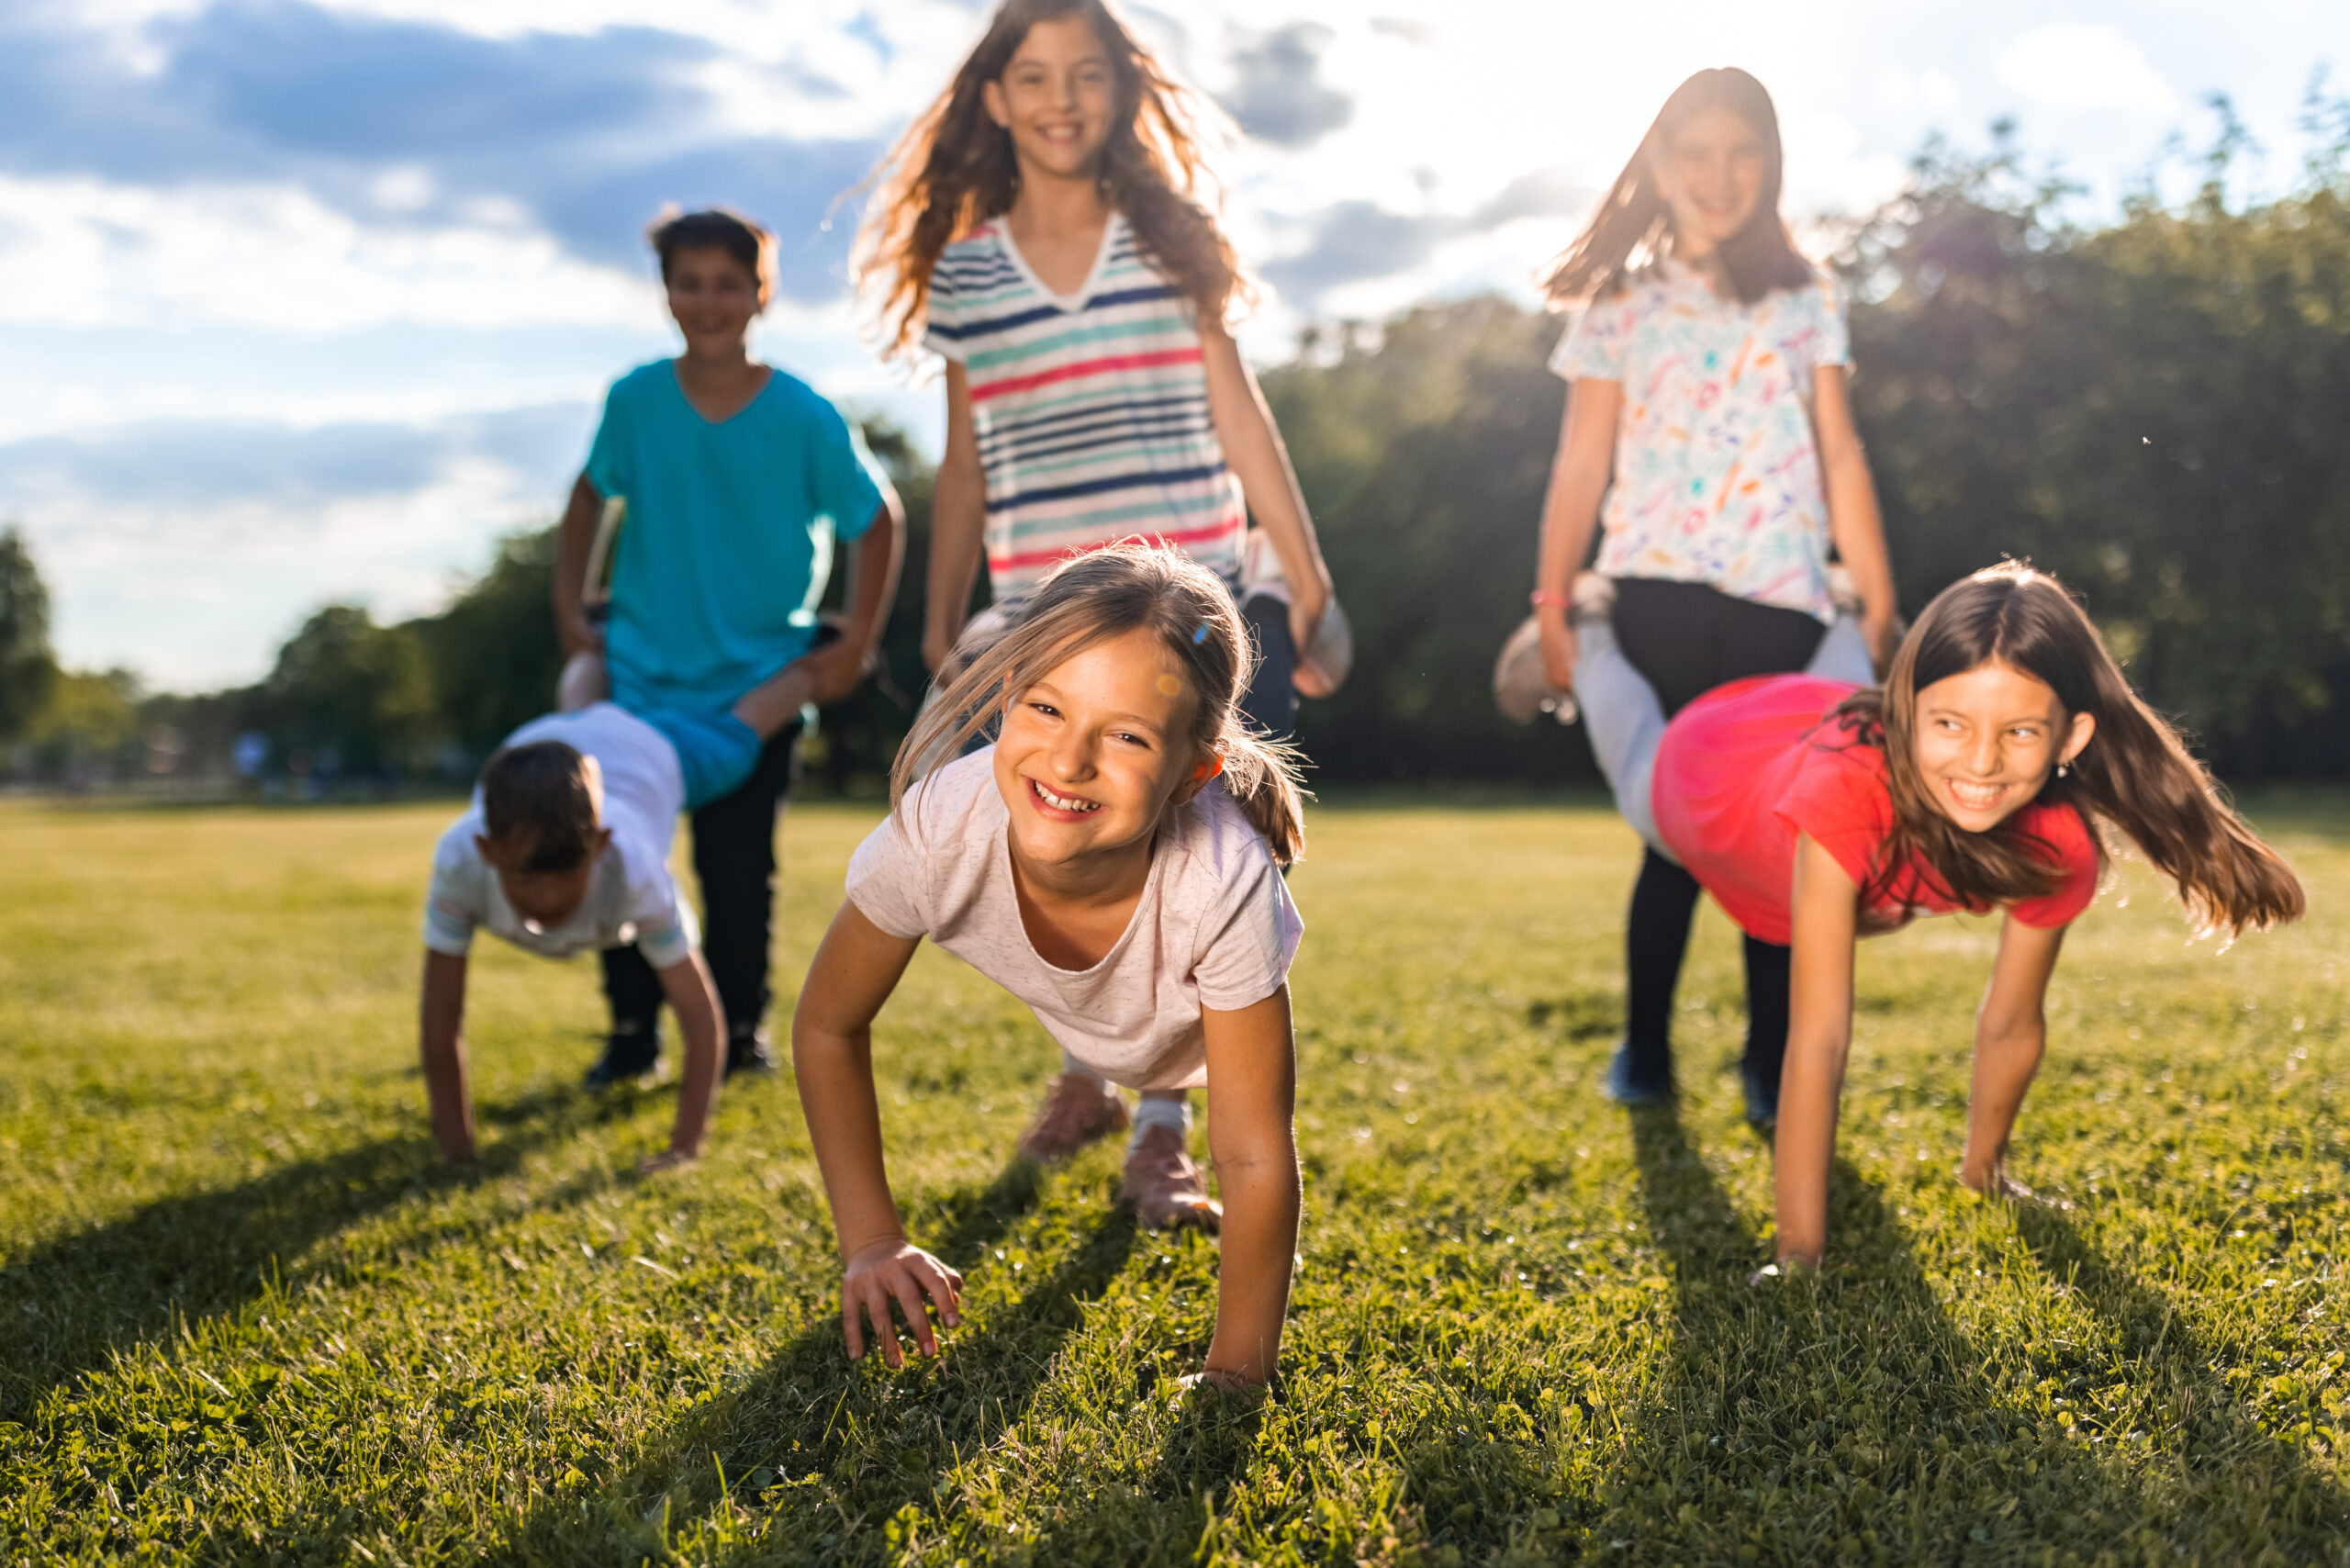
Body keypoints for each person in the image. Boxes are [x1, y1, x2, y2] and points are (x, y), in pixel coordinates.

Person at [854, 0, 1334, 1164]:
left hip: (1191, 596)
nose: (1060, 98)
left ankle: (1160, 1114)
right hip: (1044, 611)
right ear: (995, 99)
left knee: (1189, 848)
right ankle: (1090, 1065)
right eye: (1032, 75)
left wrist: (1306, 575)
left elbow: (1238, 408)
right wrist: (939, 616)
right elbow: (966, 460)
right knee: (1055, 834)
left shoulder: (1171, 239)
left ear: (1121, 91)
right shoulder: (967, 276)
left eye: (1084, 74)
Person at [1569, 563, 2303, 1271]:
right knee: (1628, 735)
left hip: (1818, 714)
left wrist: (1984, 1172)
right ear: (1907, 709)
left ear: (2071, 740)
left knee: (1840, 679)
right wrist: (1798, 1256)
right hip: (1706, 776)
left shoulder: (2056, 849)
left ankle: (1852, 612)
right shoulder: (1846, 795)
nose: (1982, 764)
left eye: (2018, 733)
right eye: (1952, 722)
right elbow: (1819, 1039)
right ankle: (1593, 621)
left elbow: (2012, 1022)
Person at [791, 545, 1304, 1392]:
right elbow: (826, 1023)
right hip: (1095, 1013)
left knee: (1164, 1071)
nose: (1067, 764)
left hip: (1181, 1022)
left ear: (1193, 773)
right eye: (1046, 708)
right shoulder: (941, 830)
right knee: (1114, 1045)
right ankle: (1127, 1110)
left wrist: (1238, 1373)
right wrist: (872, 1239)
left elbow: (1252, 1155)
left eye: (1129, 736)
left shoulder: (1224, 883)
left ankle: (1155, 1120)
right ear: (1005, 695)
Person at [1529, 67, 1899, 1118]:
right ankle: (1644, 1050)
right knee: (1673, 836)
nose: (1719, 174)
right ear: (1657, 161)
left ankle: (1767, 1064)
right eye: (1695, 151)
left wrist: (1874, 597)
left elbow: (1840, 455)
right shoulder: (1620, 301)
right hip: (1651, 595)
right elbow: (1577, 464)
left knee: (1780, 839)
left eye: (1744, 152)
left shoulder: (1806, 295)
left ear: (1770, 167)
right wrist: (1554, 602)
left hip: (1779, 600)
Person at [553, 207, 903, 1087]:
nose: (707, 302)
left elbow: (877, 521)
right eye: (689, 283)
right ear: (666, 291)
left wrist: (852, 640)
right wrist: (571, 612)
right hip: (637, 682)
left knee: (739, 874)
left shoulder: (801, 413)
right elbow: (589, 498)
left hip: (758, 684)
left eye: (727, 284)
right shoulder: (635, 399)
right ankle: (634, 1034)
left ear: (760, 293)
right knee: (622, 863)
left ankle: (740, 1031)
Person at [418, 660, 822, 1170]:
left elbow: (700, 1019)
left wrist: (684, 1149)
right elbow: (440, 1020)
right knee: (582, 711)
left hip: (653, 755)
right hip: (543, 741)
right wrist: (459, 1155)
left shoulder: (636, 871)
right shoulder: (459, 861)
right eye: (526, 878)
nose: (548, 900)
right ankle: (590, 651)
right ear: (487, 850)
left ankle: (812, 667)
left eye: (566, 875)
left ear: (601, 845)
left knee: (735, 740)